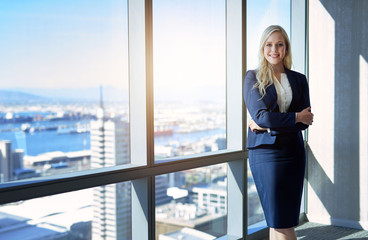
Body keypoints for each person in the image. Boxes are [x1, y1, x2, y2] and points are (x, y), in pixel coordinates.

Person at [243, 25, 314, 240]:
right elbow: (261, 116)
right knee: (281, 222)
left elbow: (306, 120)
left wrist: (268, 125)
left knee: (281, 221)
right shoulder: (253, 77)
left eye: (279, 44)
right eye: (269, 44)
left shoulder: (299, 79)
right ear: (263, 48)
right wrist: (293, 117)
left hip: (294, 152)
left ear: (286, 48)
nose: (274, 49)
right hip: (266, 155)